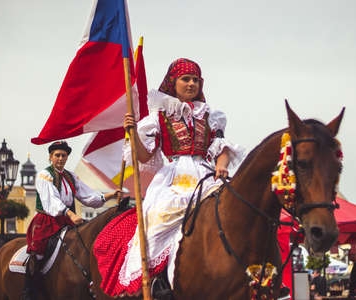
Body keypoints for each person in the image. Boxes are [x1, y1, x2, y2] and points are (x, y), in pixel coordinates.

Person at [94, 58, 245, 297]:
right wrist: (132, 135)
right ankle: (155, 280)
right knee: (157, 223)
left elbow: (222, 147)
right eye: (186, 79)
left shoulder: (210, 115)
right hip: (174, 176)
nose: (191, 83)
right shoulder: (159, 116)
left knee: (234, 215)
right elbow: (144, 156)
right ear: (173, 82)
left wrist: (222, 166)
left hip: (206, 174)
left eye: (196, 79)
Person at [22, 141, 119, 300]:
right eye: (57, 155)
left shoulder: (71, 176)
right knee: (37, 254)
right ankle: (30, 290)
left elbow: (87, 196)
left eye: (63, 155)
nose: (60, 158)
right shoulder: (44, 175)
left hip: (67, 221)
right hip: (47, 221)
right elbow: (51, 201)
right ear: (50, 157)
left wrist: (110, 195)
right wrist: (70, 214)